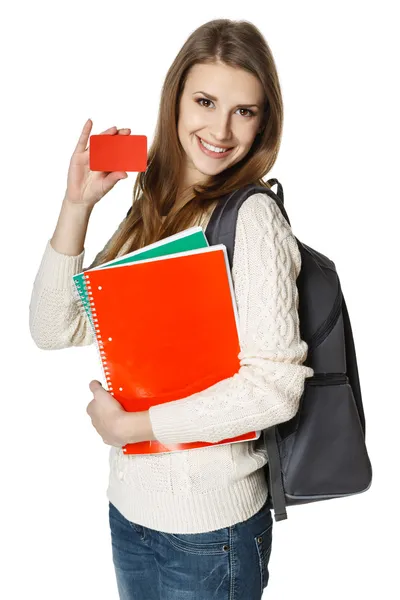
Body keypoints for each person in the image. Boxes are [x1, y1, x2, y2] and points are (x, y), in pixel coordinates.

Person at [29, 18, 314, 600]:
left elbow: (276, 388)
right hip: (131, 513)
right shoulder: (154, 205)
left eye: (244, 110)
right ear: (175, 100)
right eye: (205, 101)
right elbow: (54, 327)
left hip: (213, 532)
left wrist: (132, 427)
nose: (220, 129)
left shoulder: (252, 219)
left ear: (264, 122)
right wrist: (75, 205)